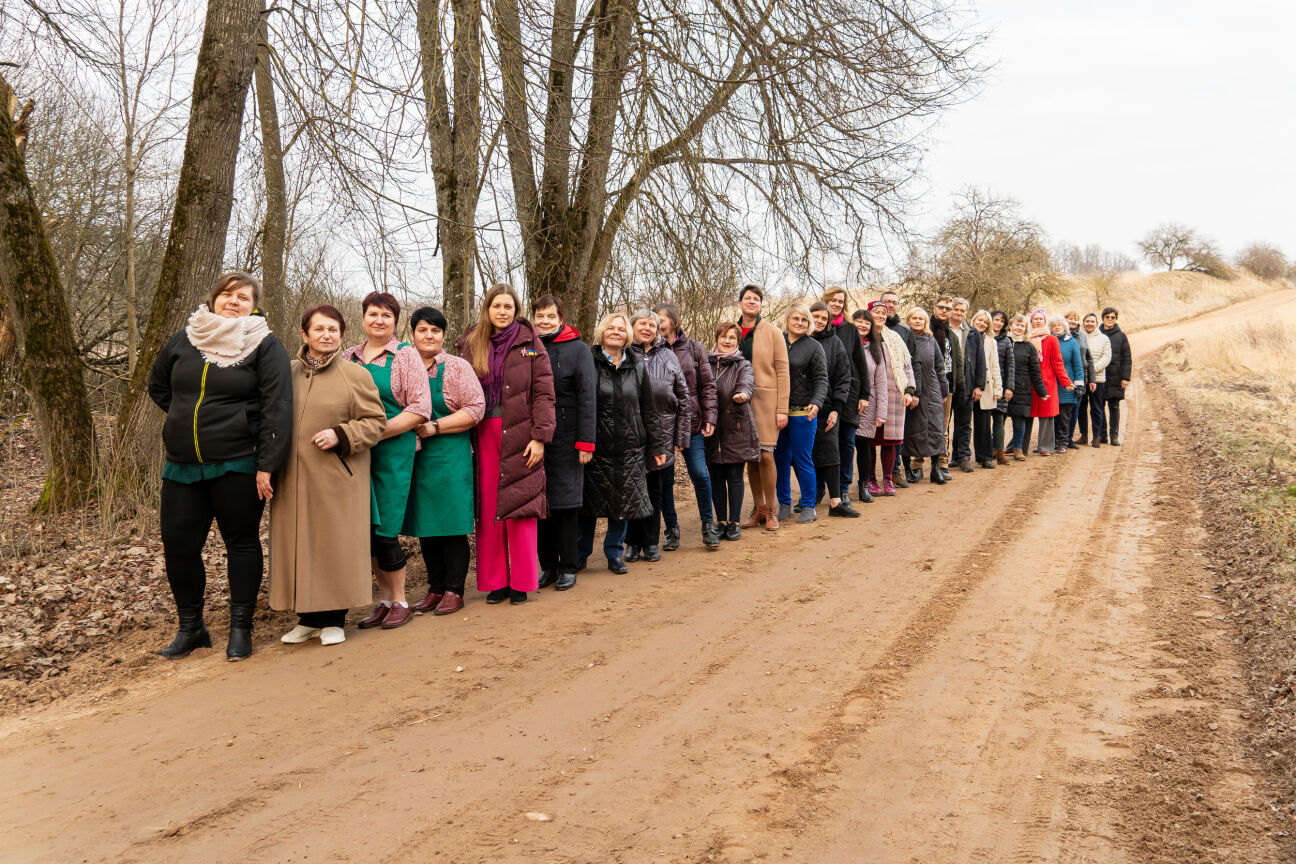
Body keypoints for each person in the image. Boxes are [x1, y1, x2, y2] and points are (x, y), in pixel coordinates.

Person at [148, 271, 293, 661]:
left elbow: (278, 407)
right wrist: (183, 419)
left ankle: (241, 628)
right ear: (213, 299)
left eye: (243, 297)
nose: (234, 301)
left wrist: (267, 462)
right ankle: (191, 628)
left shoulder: (264, 346)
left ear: (253, 305)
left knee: (241, 543)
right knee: (179, 546)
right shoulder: (186, 338)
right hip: (182, 466)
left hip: (238, 464)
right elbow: (158, 386)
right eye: (228, 294)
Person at [270, 306, 386, 646]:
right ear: (304, 335)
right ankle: (307, 619)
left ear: (341, 335)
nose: (326, 335)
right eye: (319, 329)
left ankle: (334, 619)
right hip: (292, 476)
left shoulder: (356, 375)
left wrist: (341, 434)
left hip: (338, 475)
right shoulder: (285, 373)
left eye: (333, 330)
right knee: (299, 544)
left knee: (332, 545)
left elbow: (375, 423)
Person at [455, 283, 556, 605]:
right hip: (482, 431)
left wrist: (540, 437)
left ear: (516, 311)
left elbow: (544, 392)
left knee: (521, 505)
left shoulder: (530, 343)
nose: (502, 312)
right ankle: (496, 581)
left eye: (508, 307)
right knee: (489, 509)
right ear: (487, 309)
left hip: (522, 432)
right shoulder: (471, 343)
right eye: (496, 306)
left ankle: (522, 581)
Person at [341, 292, 431, 630]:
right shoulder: (348, 357)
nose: (379, 320)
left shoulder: (406, 357)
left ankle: (401, 600)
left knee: (386, 529)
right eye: (373, 314)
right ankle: (383, 599)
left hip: (392, 451)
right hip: (356, 454)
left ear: (395, 322)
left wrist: (374, 434)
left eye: (386, 316)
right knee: (365, 528)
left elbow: (419, 409)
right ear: (363, 317)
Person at [404, 306, 484, 616]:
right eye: (422, 329)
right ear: (413, 334)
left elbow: (476, 409)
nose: (428, 335)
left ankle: (455, 589)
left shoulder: (456, 367)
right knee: (427, 525)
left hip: (450, 453)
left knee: (450, 524)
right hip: (416, 456)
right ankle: (435, 588)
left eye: (435, 330)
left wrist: (435, 426)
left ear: (443, 335)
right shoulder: (404, 366)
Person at [579, 313, 668, 573]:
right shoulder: (589, 363)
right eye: (611, 328)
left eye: (621, 329)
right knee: (589, 503)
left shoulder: (637, 366)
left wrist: (656, 447)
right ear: (602, 332)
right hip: (596, 446)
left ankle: (613, 553)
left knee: (623, 503)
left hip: (630, 447)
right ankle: (581, 553)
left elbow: (649, 410)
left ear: (627, 334)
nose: (616, 332)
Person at [533, 295, 596, 592]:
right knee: (540, 501)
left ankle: (568, 565)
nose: (544, 321)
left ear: (561, 318)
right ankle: (547, 566)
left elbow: (587, 397)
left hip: (569, 436)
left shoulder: (578, 350)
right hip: (534, 436)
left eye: (550, 316)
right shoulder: (527, 347)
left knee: (566, 503)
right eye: (540, 315)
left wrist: (586, 441)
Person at [625, 310, 692, 561]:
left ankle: (651, 542)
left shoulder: (668, 356)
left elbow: (684, 399)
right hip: (629, 435)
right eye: (642, 323)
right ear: (632, 327)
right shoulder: (624, 355)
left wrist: (681, 437)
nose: (647, 328)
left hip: (662, 435)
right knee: (632, 488)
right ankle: (632, 542)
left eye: (652, 325)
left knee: (655, 489)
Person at [655, 303, 718, 550]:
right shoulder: (651, 351)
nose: (658, 323)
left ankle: (708, 525)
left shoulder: (694, 348)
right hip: (662, 426)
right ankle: (671, 530)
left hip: (692, 423)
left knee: (700, 474)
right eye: (654, 319)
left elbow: (709, 385)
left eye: (662, 319)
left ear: (674, 321)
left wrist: (710, 417)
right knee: (665, 481)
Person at [736, 285, 790, 530]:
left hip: (767, 402)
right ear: (740, 303)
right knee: (750, 458)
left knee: (766, 455)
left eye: (756, 299)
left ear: (760, 305)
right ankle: (757, 509)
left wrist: (782, 409)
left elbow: (783, 371)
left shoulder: (772, 332)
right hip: (739, 403)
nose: (752, 302)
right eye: (747, 298)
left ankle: (771, 510)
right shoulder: (732, 330)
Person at [706, 323, 760, 541]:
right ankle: (721, 522)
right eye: (723, 337)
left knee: (735, 477)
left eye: (732, 338)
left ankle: (734, 522)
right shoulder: (705, 363)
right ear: (717, 338)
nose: (726, 341)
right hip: (710, 428)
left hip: (735, 427)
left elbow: (747, 384)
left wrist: (742, 395)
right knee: (716, 478)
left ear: (738, 342)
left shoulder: (743, 365)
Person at [775, 305, 828, 522]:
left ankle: (808, 505)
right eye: (795, 318)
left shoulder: (813, 346)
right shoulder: (777, 343)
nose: (799, 322)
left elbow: (822, 379)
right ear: (787, 319)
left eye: (804, 320)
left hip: (802, 413)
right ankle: (784, 504)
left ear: (809, 324)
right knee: (780, 460)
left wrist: (816, 402)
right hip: (778, 412)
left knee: (802, 459)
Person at [857, 302, 913, 497]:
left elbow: (907, 366)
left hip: (895, 395)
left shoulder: (895, 338)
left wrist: (908, 390)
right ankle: (870, 479)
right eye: (876, 312)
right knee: (870, 440)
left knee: (890, 441)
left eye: (883, 312)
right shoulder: (866, 338)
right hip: (872, 396)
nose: (880, 315)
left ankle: (888, 478)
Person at [809, 302, 858, 517]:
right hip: (801, 407)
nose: (819, 321)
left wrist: (836, 408)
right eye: (815, 316)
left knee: (830, 451)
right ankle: (810, 496)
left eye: (823, 318)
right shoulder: (796, 340)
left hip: (828, 407)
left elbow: (843, 376)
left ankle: (836, 501)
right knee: (805, 456)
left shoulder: (835, 342)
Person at [821, 287, 870, 499]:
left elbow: (861, 363)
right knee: (823, 444)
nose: (836, 304)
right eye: (832, 300)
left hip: (850, 393)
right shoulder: (816, 327)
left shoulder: (851, 329)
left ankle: (843, 488)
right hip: (823, 395)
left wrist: (864, 395)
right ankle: (819, 490)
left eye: (840, 301)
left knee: (847, 443)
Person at [903, 307, 948, 484]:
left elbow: (940, 366)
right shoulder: (903, 339)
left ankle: (936, 469)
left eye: (921, 318)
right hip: (911, 389)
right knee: (910, 429)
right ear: (908, 320)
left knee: (936, 428)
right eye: (914, 318)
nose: (918, 321)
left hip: (933, 389)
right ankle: (908, 469)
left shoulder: (931, 340)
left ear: (925, 321)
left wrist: (944, 389)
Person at [1023, 308, 1072, 456]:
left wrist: (1066, 381)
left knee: (1046, 415)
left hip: (1047, 381)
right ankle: (1019, 446)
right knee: (1025, 414)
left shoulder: (1052, 339)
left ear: (1045, 321)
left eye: (1041, 319)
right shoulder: (1025, 338)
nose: (1038, 321)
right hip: (1028, 382)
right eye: (1035, 318)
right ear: (1031, 321)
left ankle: (1045, 447)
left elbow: (1057, 362)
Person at [1005, 314, 1047, 460]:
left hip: (1021, 388)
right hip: (1002, 387)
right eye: (1016, 324)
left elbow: (1035, 371)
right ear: (1010, 326)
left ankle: (1018, 448)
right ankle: (996, 449)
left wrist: (1042, 391)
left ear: (1025, 329)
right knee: (999, 419)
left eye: (1022, 325)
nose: (1019, 327)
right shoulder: (1003, 342)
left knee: (1019, 419)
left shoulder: (1029, 346)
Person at [948, 298, 982, 473]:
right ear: (951, 310)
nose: (959, 313)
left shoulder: (972, 332)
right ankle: (943, 458)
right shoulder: (941, 330)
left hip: (967, 384)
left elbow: (980, 360)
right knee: (944, 424)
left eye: (962, 311)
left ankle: (963, 457)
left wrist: (979, 385)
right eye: (956, 309)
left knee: (964, 423)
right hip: (946, 383)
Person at [924, 296, 955, 481]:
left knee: (942, 426)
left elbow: (956, 360)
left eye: (948, 308)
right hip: (925, 383)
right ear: (934, 308)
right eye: (941, 307)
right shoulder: (926, 329)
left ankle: (942, 464)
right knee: (920, 425)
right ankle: (917, 463)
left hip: (945, 383)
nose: (944, 311)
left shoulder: (952, 333)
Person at [969, 310, 1001, 468]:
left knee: (983, 423)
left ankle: (985, 457)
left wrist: (998, 389)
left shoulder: (990, 341)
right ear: (973, 320)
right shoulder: (966, 335)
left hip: (986, 386)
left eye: (985, 322)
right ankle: (958, 457)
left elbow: (995, 366)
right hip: (966, 384)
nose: (981, 323)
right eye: (979, 320)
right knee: (963, 424)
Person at [1050, 315, 1084, 453]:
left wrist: (1079, 384)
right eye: (1054, 325)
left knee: (1065, 416)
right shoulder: (1047, 341)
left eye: (1060, 325)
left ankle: (1063, 442)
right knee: (1051, 416)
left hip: (1067, 384)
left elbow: (1078, 365)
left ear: (1064, 326)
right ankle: (1051, 442)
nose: (1057, 327)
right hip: (1051, 383)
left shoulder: (1071, 342)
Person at [1100, 307, 1132, 446]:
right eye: (1107, 317)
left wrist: (1125, 377)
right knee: (1099, 407)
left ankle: (1114, 436)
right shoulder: (1097, 334)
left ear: (1116, 319)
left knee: (1114, 407)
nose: (1110, 320)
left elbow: (1127, 358)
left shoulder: (1121, 336)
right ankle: (1102, 436)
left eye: (1113, 317)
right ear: (1103, 318)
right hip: (1100, 376)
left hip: (1116, 377)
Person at [1065, 311, 1095, 446]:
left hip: (1080, 377)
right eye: (1070, 319)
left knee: (1075, 410)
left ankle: (1069, 438)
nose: (1072, 321)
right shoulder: (1060, 335)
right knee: (1063, 410)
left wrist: (1092, 378)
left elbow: (1089, 358)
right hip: (1065, 377)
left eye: (1075, 319)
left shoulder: (1082, 336)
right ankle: (1060, 439)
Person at [989, 310, 1015, 465]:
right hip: (985, 386)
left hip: (1001, 385)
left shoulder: (1006, 341)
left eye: (1001, 321)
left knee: (999, 419)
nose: (998, 323)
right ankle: (987, 451)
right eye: (995, 320)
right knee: (984, 421)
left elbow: (1011, 366)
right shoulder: (982, 337)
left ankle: (999, 452)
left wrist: (1009, 387)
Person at [1082, 313, 1111, 448]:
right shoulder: (1079, 337)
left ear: (1096, 323)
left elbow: (1106, 357)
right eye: (1087, 321)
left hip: (1098, 379)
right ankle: (1083, 435)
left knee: (1096, 408)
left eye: (1092, 321)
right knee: (1081, 409)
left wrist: (1092, 371)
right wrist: (1085, 373)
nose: (1089, 324)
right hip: (1081, 379)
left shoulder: (1104, 338)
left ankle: (1096, 436)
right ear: (1083, 323)